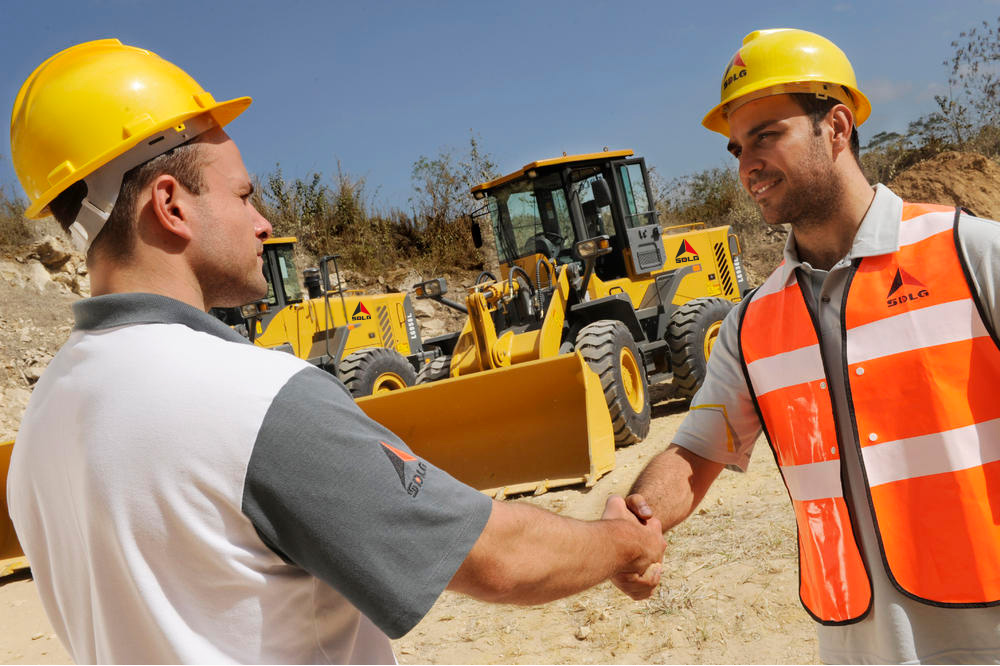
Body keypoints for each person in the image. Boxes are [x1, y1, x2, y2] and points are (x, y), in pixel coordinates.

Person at [6, 39, 666, 664]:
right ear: (171, 205)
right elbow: (493, 557)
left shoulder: (41, 429)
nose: (263, 222)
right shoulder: (248, 399)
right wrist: (621, 543)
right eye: (242, 195)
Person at [615, 28, 1000, 663]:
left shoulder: (971, 254)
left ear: (838, 126)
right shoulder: (752, 324)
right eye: (736, 149)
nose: (746, 166)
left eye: (767, 136)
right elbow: (696, 451)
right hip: (857, 643)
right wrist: (633, 521)